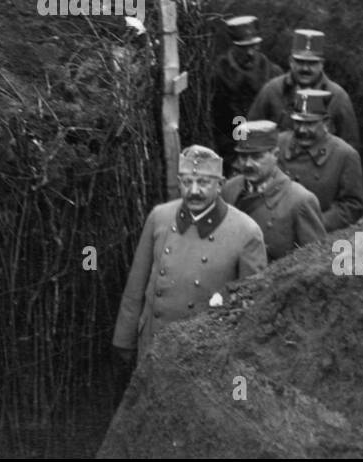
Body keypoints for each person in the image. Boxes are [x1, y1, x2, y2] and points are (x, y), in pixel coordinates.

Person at [112, 145, 266, 362]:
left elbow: (252, 307)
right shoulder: (160, 217)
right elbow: (136, 284)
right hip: (153, 346)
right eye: (187, 182)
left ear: (220, 185)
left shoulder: (246, 232)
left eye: (203, 182)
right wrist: (124, 338)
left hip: (205, 357)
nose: (194, 191)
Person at [221, 120, 326, 260]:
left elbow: (314, 262)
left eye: (257, 157)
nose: (248, 164)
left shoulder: (300, 200)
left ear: (275, 155)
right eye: (243, 156)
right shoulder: (229, 189)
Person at [247, 29, 360, 151]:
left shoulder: (338, 97)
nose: (305, 68)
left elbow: (350, 145)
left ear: (321, 64)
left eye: (312, 63)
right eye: (300, 62)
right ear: (291, 61)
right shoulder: (272, 90)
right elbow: (251, 131)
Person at [277, 89, 363, 231]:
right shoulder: (278, 144)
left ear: (325, 123)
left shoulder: (345, 155)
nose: (302, 130)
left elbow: (351, 206)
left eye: (309, 124)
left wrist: (316, 225)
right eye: (298, 123)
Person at [211, 15, 283, 175]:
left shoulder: (273, 74)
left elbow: (281, 119)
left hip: (267, 152)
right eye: (243, 48)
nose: (250, 53)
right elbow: (216, 123)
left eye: (254, 46)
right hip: (231, 153)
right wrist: (230, 158)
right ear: (233, 47)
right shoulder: (218, 75)